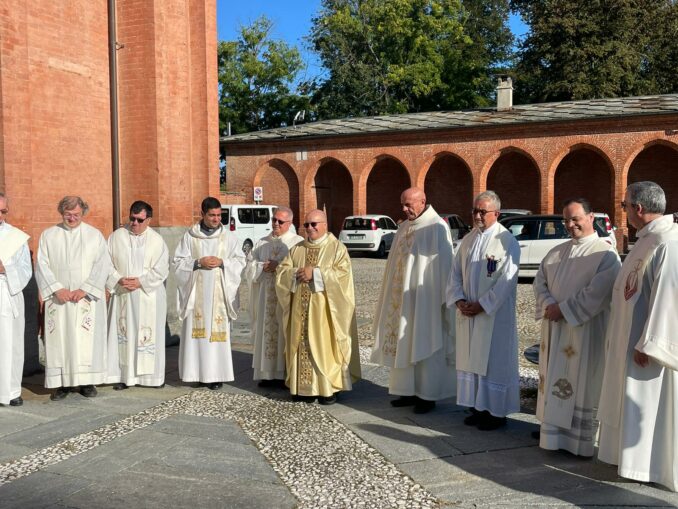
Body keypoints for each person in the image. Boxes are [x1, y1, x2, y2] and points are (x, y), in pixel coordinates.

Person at [597, 181, 678, 491]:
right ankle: (631, 461)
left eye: (625, 205)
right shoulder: (647, 240)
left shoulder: (667, 243)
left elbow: (668, 299)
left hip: (648, 349)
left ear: (639, 209)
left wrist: (650, 342)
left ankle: (653, 467)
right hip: (628, 340)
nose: (624, 211)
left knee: (651, 405)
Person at [533, 198, 620, 456]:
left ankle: (577, 442)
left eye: (575, 219)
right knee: (553, 379)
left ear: (590, 217)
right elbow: (539, 282)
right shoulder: (556, 252)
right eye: (566, 220)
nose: (570, 225)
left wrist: (564, 309)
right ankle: (551, 434)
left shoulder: (604, 254)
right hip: (555, 328)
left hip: (584, 332)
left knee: (581, 384)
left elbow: (599, 292)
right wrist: (549, 303)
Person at [371, 187, 456, 413]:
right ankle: (407, 391)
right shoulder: (405, 227)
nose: (404, 209)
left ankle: (427, 396)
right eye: (403, 204)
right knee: (403, 343)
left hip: (425, 299)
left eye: (409, 204)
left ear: (423, 202)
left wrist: (440, 298)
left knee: (423, 341)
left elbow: (445, 266)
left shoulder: (436, 227)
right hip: (402, 300)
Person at [446, 190, 520, 430]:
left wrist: (483, 304)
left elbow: (507, 280)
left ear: (496, 213)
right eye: (475, 210)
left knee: (493, 363)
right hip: (469, 314)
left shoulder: (506, 241)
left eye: (482, 211)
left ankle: (496, 413)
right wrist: (458, 299)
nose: (477, 215)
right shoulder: (468, 239)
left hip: (493, 316)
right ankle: (477, 407)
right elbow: (454, 273)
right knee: (472, 361)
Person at [276, 209, 361, 404]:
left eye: (314, 224)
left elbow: (342, 276)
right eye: (306, 225)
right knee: (299, 343)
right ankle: (301, 388)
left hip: (324, 313)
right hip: (300, 310)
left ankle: (326, 389)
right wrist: (296, 273)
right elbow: (282, 271)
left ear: (325, 225)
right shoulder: (297, 249)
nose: (310, 228)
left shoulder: (337, 248)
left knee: (323, 346)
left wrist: (315, 273)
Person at [36, 196, 111, 400]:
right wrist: (56, 289)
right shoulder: (49, 235)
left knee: (85, 339)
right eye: (68, 214)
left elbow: (102, 264)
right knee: (61, 339)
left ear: (83, 213)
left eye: (76, 214)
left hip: (85, 299)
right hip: (59, 299)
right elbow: (42, 264)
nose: (72, 218)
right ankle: (62, 384)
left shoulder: (94, 236)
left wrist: (86, 288)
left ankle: (87, 382)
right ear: (61, 213)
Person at [173, 197, 245, 389]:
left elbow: (240, 260)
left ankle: (216, 375)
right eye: (212, 215)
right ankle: (194, 373)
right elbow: (178, 263)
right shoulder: (190, 237)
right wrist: (198, 263)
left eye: (219, 215)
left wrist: (223, 263)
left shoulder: (228, 237)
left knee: (215, 336)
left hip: (219, 294)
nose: (216, 219)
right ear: (202, 214)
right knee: (196, 335)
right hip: (196, 294)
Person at [106, 201, 169, 390]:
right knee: (124, 334)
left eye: (139, 220)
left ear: (148, 220)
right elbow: (105, 262)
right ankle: (124, 377)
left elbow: (162, 268)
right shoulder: (116, 237)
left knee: (148, 336)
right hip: (123, 294)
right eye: (132, 218)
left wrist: (141, 281)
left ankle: (151, 378)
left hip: (147, 295)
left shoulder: (157, 241)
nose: (134, 223)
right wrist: (118, 278)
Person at [244, 206, 302, 386]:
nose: (276, 224)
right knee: (266, 332)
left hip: (286, 296)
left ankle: (285, 373)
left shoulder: (297, 243)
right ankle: (267, 374)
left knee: (285, 333)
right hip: (265, 295)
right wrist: (261, 266)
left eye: (280, 221)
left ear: (290, 223)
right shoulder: (261, 242)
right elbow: (248, 268)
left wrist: (280, 267)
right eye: (274, 220)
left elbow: (299, 269)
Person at [0, 193, 32, 407]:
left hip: (7, 294)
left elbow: (25, 270)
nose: (1, 215)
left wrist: (5, 268)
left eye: (3, 211)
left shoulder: (16, 237)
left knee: (10, 344)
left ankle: (11, 391)